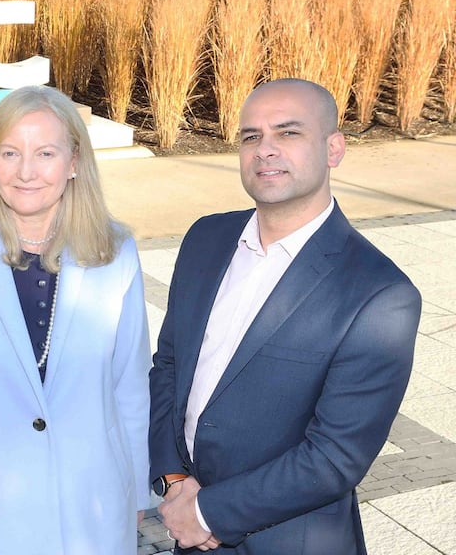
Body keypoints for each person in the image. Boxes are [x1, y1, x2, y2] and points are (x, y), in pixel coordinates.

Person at [149, 78, 421, 554]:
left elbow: (335, 457)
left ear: (333, 148)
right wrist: (173, 479)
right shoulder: (205, 240)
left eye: (288, 133)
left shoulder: (380, 293)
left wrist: (207, 513)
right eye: (251, 136)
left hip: (291, 540)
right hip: (187, 528)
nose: (264, 150)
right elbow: (169, 366)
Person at [0, 85, 152, 554]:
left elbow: (131, 384)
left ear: (74, 161)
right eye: (9, 152)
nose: (26, 172)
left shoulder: (115, 252)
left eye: (45, 153)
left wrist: (137, 486)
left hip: (92, 507)